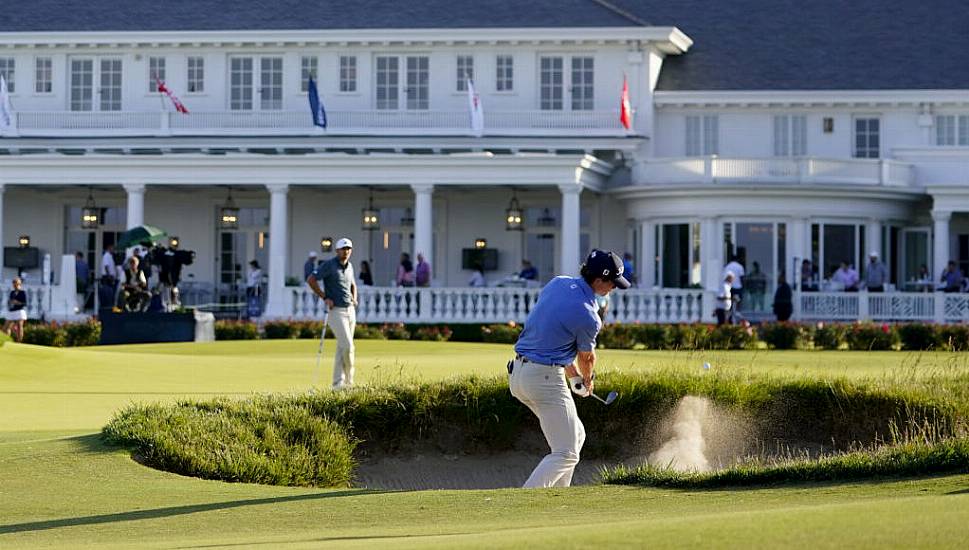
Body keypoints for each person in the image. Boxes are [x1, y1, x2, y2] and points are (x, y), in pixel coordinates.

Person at [509, 249, 630, 488]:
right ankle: (521, 503)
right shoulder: (589, 315)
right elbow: (587, 357)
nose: (614, 288)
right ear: (599, 280)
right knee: (566, 453)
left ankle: (557, 500)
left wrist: (573, 376)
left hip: (519, 375)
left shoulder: (558, 284)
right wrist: (587, 379)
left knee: (576, 437)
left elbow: (553, 337)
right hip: (544, 379)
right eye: (612, 283)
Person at [307, 238, 358, 389]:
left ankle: (337, 383)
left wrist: (354, 299)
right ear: (337, 251)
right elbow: (311, 279)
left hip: (350, 310)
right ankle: (349, 381)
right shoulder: (329, 265)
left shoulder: (350, 267)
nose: (346, 251)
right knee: (348, 346)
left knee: (342, 348)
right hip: (336, 311)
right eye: (343, 249)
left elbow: (353, 284)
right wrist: (324, 297)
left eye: (348, 248)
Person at [5, 277, 27, 343]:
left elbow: (24, 303)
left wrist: (17, 302)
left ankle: (19, 342)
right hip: (12, 311)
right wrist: (11, 302)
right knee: (6, 327)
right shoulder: (12, 292)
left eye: (16, 283)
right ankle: (7, 340)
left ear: (19, 284)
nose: (14, 285)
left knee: (19, 326)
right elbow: (10, 301)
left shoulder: (22, 292)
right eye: (14, 283)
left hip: (20, 311)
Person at [99, 244, 117, 310]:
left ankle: (109, 305)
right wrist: (109, 275)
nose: (113, 250)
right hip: (107, 277)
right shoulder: (106, 256)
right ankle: (107, 306)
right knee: (107, 291)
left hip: (109, 276)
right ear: (109, 248)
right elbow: (106, 266)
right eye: (112, 248)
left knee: (110, 291)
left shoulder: (110, 256)